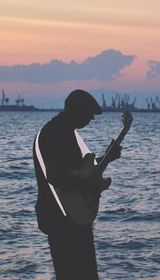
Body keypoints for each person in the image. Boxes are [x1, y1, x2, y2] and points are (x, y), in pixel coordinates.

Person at [33, 89, 122, 279]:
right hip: (63, 218)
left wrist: (107, 158)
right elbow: (55, 176)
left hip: (71, 215)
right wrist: (89, 185)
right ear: (74, 110)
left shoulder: (65, 132)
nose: (91, 119)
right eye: (88, 114)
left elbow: (78, 170)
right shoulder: (54, 133)